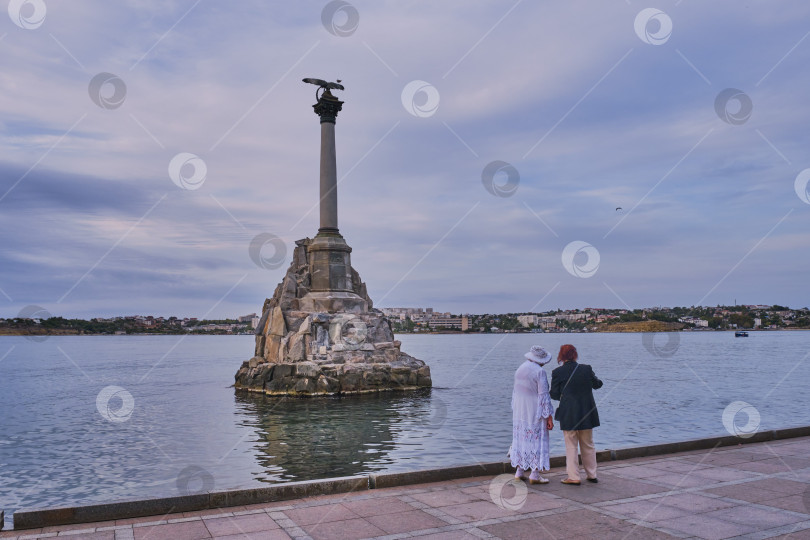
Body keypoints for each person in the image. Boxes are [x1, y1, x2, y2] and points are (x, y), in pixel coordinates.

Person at [550, 344, 603, 485]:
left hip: (569, 413)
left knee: (571, 445)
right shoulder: (586, 369)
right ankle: (592, 474)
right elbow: (597, 384)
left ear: (561, 356)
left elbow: (554, 395)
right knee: (588, 443)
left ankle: (574, 477)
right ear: (575, 354)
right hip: (587, 412)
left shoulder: (557, 372)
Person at [510, 345, 555, 484]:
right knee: (537, 439)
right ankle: (534, 474)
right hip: (535, 410)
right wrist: (548, 416)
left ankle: (519, 471)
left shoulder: (520, 368)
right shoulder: (540, 372)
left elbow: (515, 392)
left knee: (521, 439)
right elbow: (544, 396)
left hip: (520, 410)